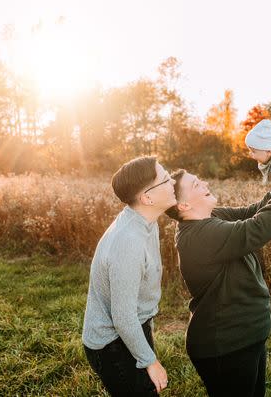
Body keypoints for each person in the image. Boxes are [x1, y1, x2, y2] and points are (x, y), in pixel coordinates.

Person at [165, 170, 271, 397]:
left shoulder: (211, 216)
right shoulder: (198, 236)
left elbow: (252, 213)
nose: (205, 181)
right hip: (225, 347)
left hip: (245, 337)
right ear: (184, 206)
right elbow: (255, 230)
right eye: (196, 184)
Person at [82, 156, 176, 396]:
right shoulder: (129, 242)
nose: (172, 181)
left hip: (132, 328)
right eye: (165, 179)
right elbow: (123, 317)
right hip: (111, 344)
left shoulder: (145, 219)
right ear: (147, 198)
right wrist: (150, 362)